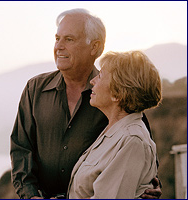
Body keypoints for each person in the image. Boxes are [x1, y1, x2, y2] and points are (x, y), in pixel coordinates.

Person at [10, 8, 162, 199]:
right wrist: (30, 196)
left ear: (95, 47)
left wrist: (146, 187)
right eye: (57, 38)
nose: (59, 46)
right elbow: (21, 149)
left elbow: (139, 152)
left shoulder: (116, 93)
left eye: (69, 39)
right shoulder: (35, 89)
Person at [67, 51, 162, 199]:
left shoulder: (132, 140)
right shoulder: (113, 130)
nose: (92, 81)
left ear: (118, 93)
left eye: (100, 75)